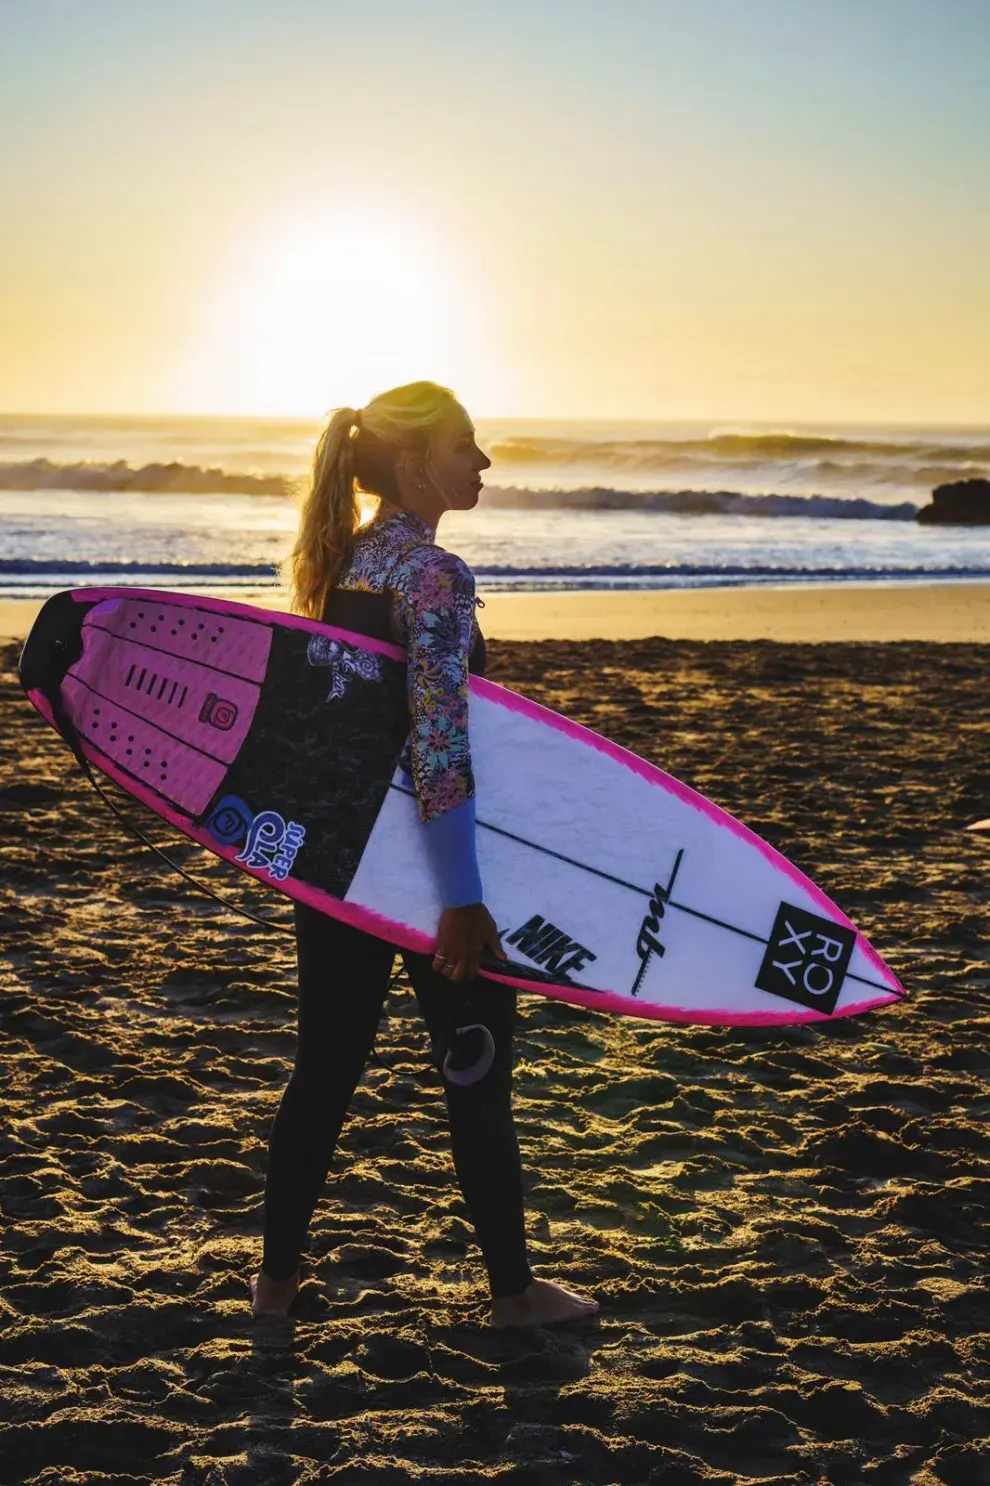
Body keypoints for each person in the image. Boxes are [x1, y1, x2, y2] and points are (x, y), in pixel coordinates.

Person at [249, 380, 599, 1329]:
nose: (482, 462)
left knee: (323, 1067)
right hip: (421, 868)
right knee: (476, 1061)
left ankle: (274, 1289)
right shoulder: (437, 577)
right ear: (413, 464)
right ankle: (514, 1297)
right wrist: (462, 898)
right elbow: (436, 745)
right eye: (466, 445)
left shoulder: (341, 563)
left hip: (340, 864)